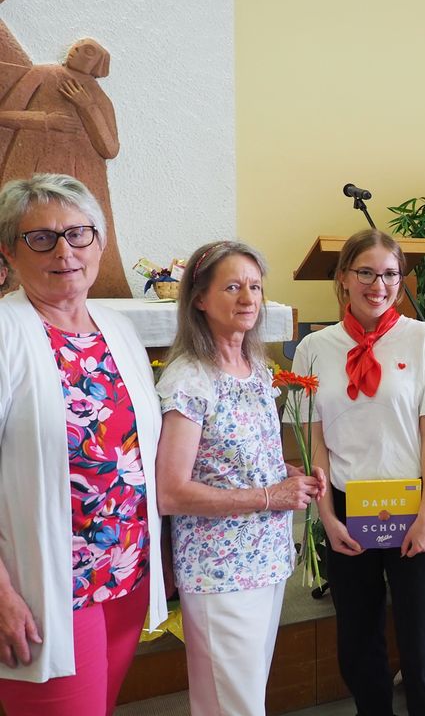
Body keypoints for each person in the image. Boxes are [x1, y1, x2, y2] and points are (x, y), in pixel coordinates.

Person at [0, 173, 168, 715]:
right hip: (41, 587)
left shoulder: (117, 329)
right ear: (9, 252)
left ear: (99, 243)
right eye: (41, 238)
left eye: (78, 234)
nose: (64, 251)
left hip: (124, 574)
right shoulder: (5, 331)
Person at [155, 241, 324, 716]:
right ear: (199, 299)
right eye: (232, 287)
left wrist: (286, 474)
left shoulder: (256, 369)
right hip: (220, 570)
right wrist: (271, 495)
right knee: (236, 705)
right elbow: (171, 491)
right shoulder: (191, 379)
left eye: (255, 286)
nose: (248, 297)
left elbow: (235, 461)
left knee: (238, 699)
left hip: (266, 558)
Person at [292, 229, 425, 716]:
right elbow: (314, 440)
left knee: (423, 641)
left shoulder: (424, 339)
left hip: (415, 505)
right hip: (347, 508)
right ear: (343, 277)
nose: (378, 285)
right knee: (358, 640)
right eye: (365, 272)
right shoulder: (315, 347)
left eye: (389, 274)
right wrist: (327, 517)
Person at [0, 39, 127, 297]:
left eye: (88, 51)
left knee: (79, 231)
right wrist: (45, 121)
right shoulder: (44, 73)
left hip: (83, 172)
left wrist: (86, 106)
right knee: (28, 226)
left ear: (99, 64)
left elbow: (110, 147)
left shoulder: (97, 95)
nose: (77, 50)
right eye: (78, 47)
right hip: (36, 165)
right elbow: (4, 114)